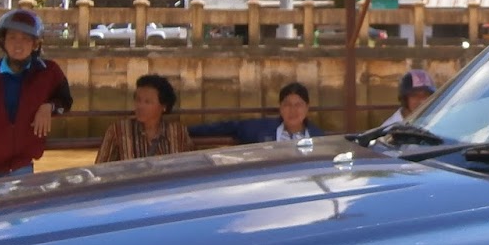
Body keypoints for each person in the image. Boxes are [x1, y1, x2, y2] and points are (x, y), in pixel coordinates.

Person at [0, 7, 72, 183]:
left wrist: (49, 107)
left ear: (35, 44)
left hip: (20, 166)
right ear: (3, 41)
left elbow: (65, 101)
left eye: (26, 38)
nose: (18, 44)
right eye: (12, 37)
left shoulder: (48, 73)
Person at [94, 74, 194, 163]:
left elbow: (190, 166)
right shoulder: (118, 131)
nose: (140, 106)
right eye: (138, 100)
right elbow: (100, 169)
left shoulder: (177, 132)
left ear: (163, 106)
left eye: (147, 102)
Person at [190, 81, 324, 144]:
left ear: (307, 107)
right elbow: (229, 127)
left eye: (298, 105)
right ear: (280, 107)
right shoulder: (262, 129)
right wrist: (188, 131)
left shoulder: (318, 137)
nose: (292, 110)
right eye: (287, 104)